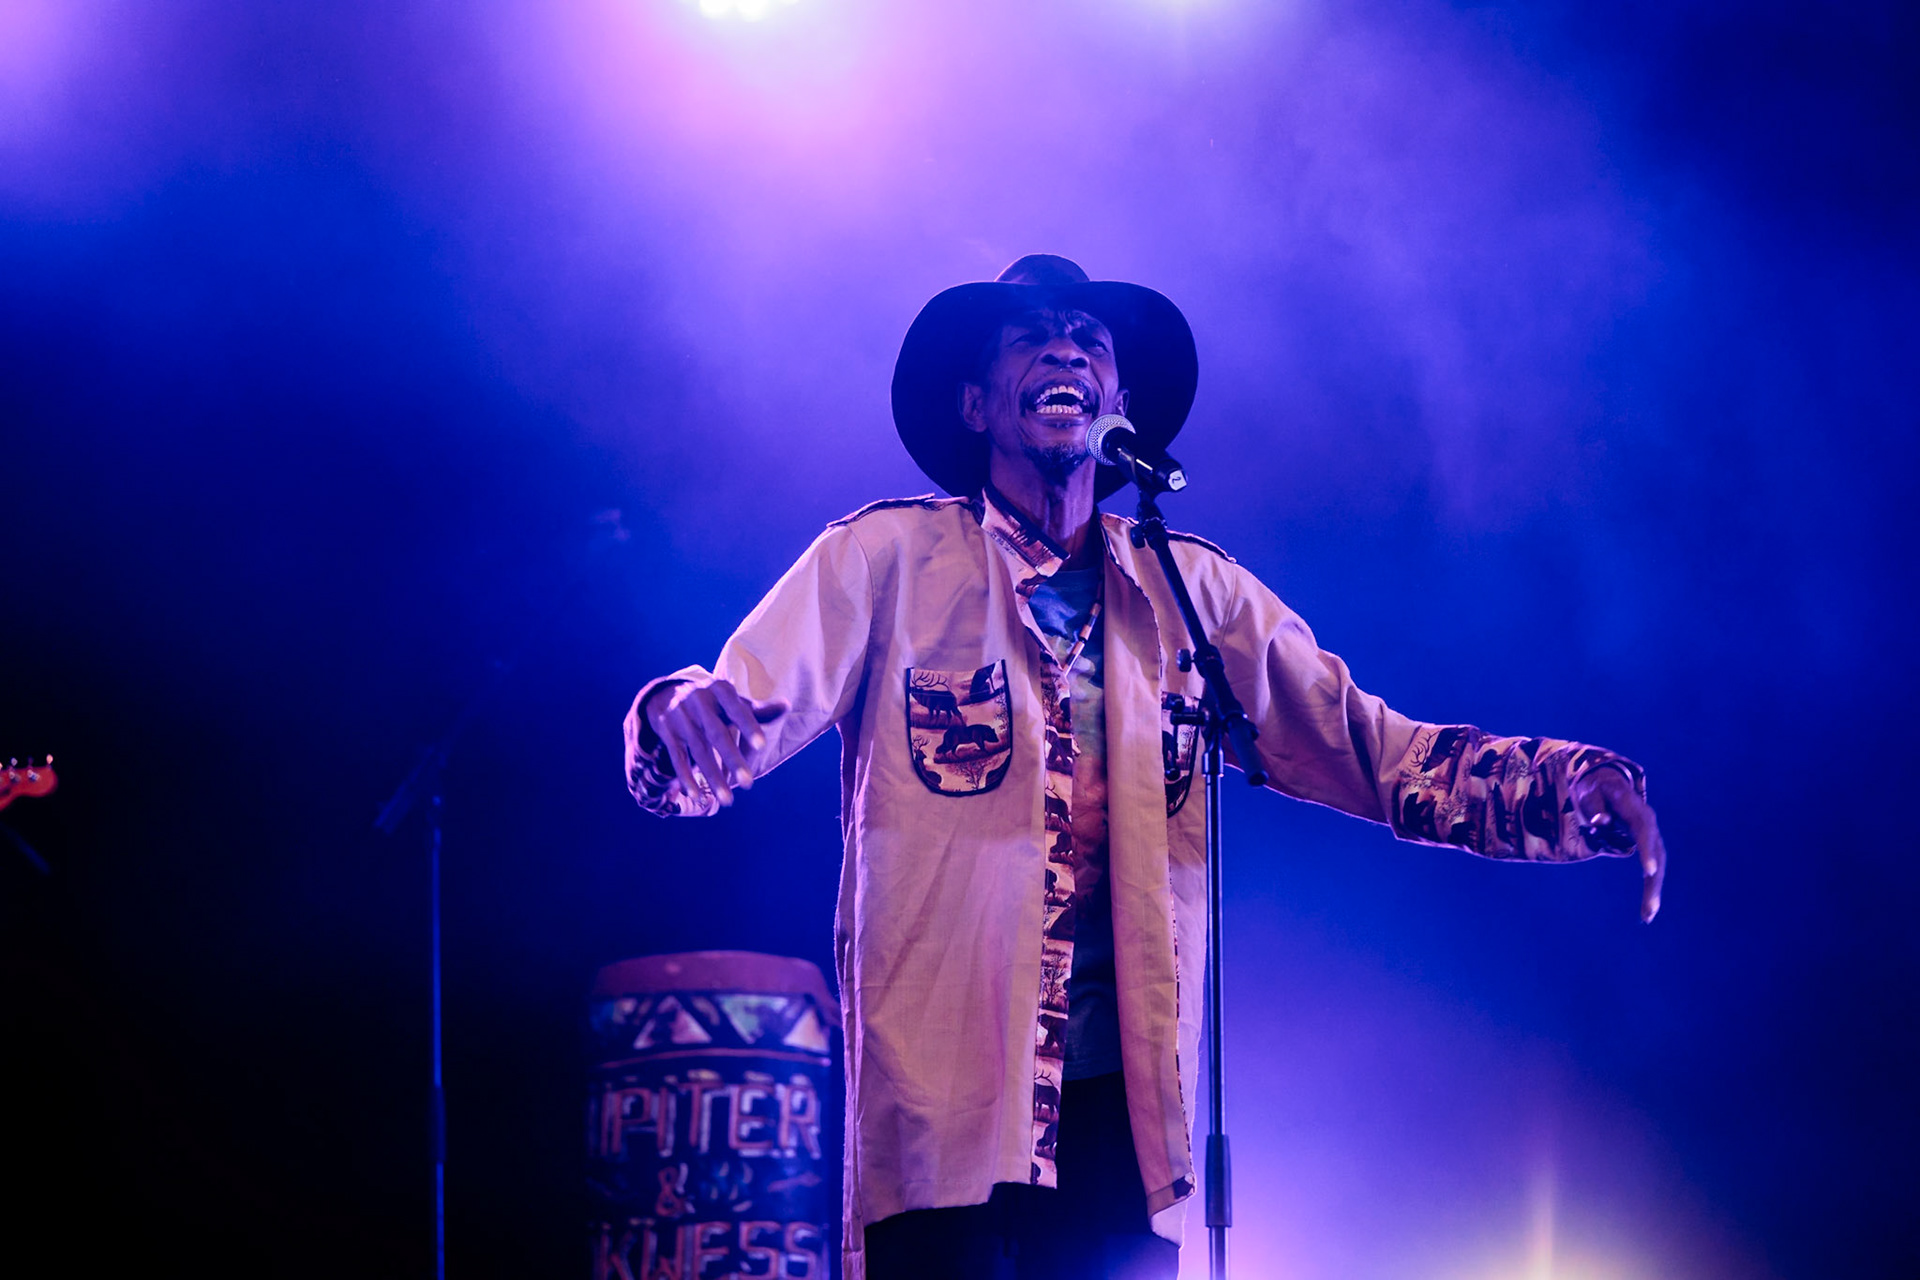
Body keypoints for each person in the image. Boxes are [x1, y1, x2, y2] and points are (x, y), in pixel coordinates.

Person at [622, 254, 1667, 1280]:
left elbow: (1374, 748)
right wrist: (671, 719)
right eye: (1030, 338)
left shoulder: (1190, 592)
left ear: (1121, 405)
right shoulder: (880, 560)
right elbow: (724, 721)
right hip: (945, 1120)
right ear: (975, 403)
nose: (1065, 351)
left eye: (1089, 340)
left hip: (1124, 1131)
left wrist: (1564, 785)